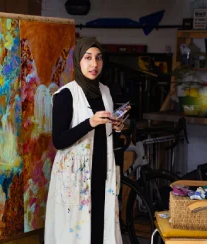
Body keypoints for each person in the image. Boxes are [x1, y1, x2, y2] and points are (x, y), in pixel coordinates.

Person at [45, 37, 125, 244]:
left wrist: (116, 126)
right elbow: (59, 141)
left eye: (98, 58)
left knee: (100, 227)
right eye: (88, 58)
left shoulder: (105, 92)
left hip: (101, 171)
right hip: (76, 176)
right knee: (75, 232)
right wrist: (90, 122)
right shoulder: (66, 95)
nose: (94, 64)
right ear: (78, 61)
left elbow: (103, 133)